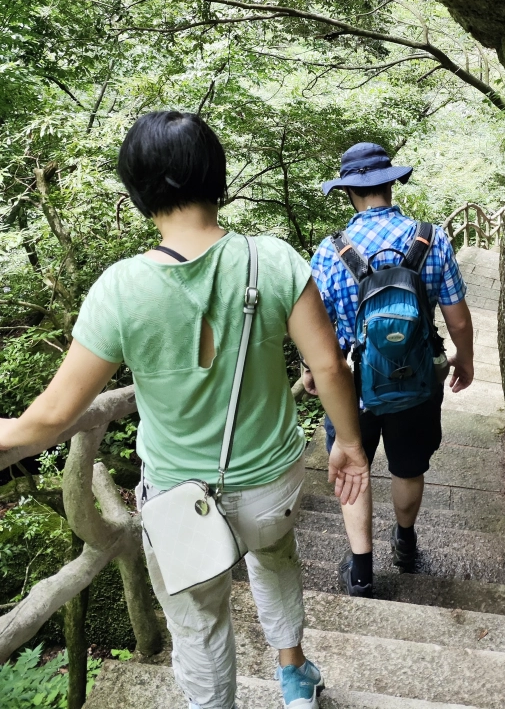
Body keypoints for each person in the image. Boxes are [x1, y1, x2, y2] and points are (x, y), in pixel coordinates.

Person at [0, 111, 369, 709]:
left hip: (179, 503)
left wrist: (10, 432)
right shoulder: (272, 260)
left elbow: (50, 416)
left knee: (198, 628)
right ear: (216, 177)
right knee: (275, 558)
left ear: (139, 189)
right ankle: (295, 676)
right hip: (272, 485)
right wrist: (348, 444)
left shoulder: (120, 289)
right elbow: (328, 367)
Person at [306, 142, 474, 597]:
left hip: (350, 387)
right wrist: (466, 359)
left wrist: (311, 373)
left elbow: (316, 332)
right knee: (407, 467)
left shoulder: (328, 253)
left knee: (352, 466)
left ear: (347, 193)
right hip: (415, 382)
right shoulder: (430, 237)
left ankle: (361, 570)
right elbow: (457, 317)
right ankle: (405, 541)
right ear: (391, 183)